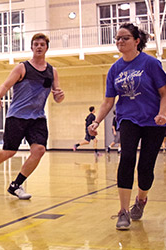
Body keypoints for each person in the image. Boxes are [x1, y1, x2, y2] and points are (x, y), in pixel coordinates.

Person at [88, 23, 166, 230]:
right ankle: (123, 211)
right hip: (128, 119)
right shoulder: (115, 69)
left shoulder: (150, 63)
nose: (119, 42)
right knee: (127, 158)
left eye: (125, 38)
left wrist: (162, 113)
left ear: (137, 41)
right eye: (117, 39)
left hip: (154, 121)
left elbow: (164, 93)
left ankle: (141, 200)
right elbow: (108, 102)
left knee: (145, 167)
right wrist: (96, 121)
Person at [0, 33, 65, 199]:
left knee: (39, 150)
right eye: (36, 44)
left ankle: (16, 185)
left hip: (37, 117)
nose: (39, 47)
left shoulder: (52, 71)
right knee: (9, 151)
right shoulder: (22, 68)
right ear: (32, 47)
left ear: (46, 48)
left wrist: (60, 96)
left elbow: (57, 95)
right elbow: (5, 85)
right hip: (17, 116)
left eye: (42, 44)